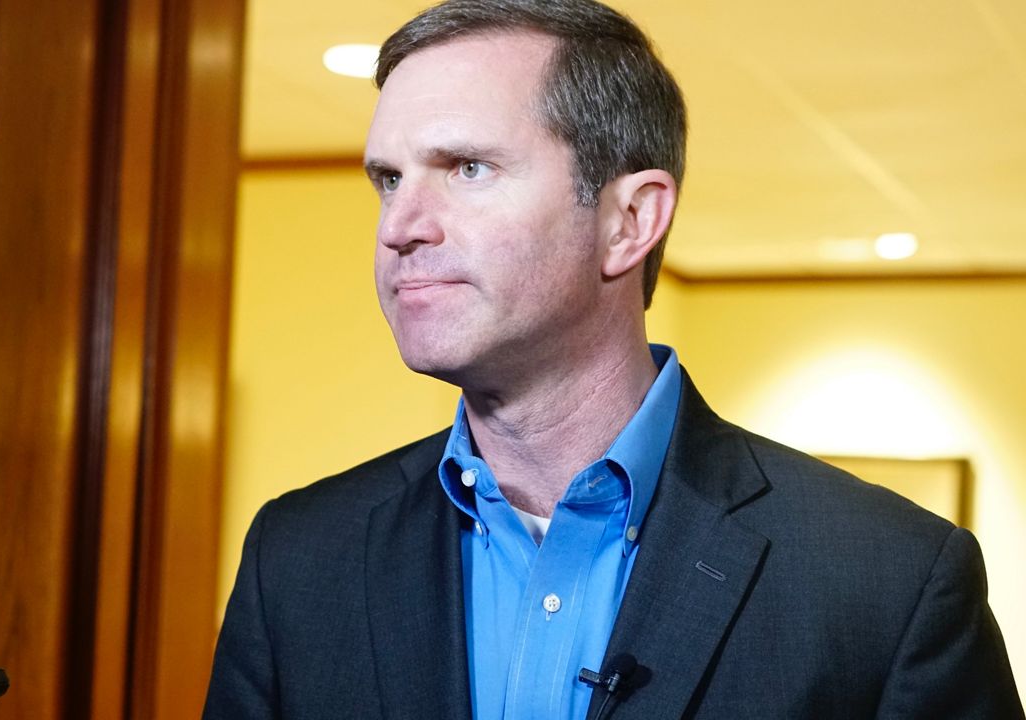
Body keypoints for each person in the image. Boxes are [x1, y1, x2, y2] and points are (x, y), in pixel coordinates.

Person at [204, 1, 1023, 718]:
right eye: (388, 178)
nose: (400, 226)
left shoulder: (890, 581)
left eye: (468, 167)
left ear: (630, 221)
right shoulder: (298, 559)